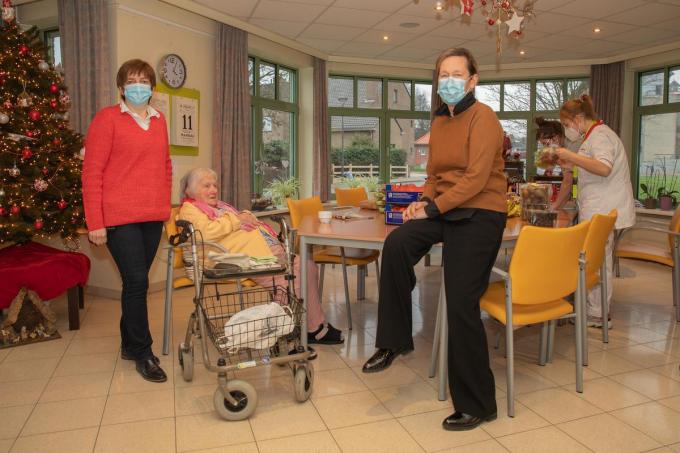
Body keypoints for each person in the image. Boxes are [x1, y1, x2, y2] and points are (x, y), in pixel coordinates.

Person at [362, 48, 506, 431]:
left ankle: (479, 403)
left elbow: (475, 179)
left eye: (458, 73)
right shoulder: (440, 122)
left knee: (459, 302)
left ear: (473, 80)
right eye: (444, 74)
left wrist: (433, 207)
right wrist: (423, 201)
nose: (450, 80)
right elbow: (433, 176)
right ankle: (395, 340)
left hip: (481, 212)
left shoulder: (484, 117)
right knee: (396, 244)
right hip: (445, 208)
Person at [177, 167, 344, 345]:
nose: (214, 190)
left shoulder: (217, 206)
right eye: (206, 186)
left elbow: (241, 216)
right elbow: (207, 233)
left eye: (215, 185)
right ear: (190, 190)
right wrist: (238, 219)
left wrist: (243, 216)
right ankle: (285, 336)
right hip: (241, 259)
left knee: (307, 265)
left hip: (264, 252)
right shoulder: (190, 210)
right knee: (286, 282)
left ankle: (313, 326)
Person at [82, 59, 171, 383]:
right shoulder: (107, 119)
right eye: (132, 81)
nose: (138, 86)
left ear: (152, 87)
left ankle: (128, 343)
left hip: (152, 216)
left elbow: (165, 165)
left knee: (136, 283)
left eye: (144, 80)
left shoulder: (160, 121)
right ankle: (143, 352)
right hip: (118, 217)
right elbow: (92, 172)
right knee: (137, 282)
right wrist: (96, 222)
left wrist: (165, 207)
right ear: (121, 88)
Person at [550, 95, 636, 327]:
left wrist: (571, 156)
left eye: (567, 125)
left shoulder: (600, 135)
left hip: (603, 208)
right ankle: (595, 310)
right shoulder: (593, 136)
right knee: (596, 260)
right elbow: (592, 167)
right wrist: (572, 164)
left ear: (579, 118)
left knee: (596, 261)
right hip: (599, 207)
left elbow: (604, 168)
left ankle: (597, 313)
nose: (568, 130)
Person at [534, 117, 574, 209]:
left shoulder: (570, 148)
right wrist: (558, 206)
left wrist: (555, 206)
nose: (545, 148)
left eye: (546, 144)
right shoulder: (562, 150)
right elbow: (568, 184)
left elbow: (568, 181)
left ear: (556, 137)